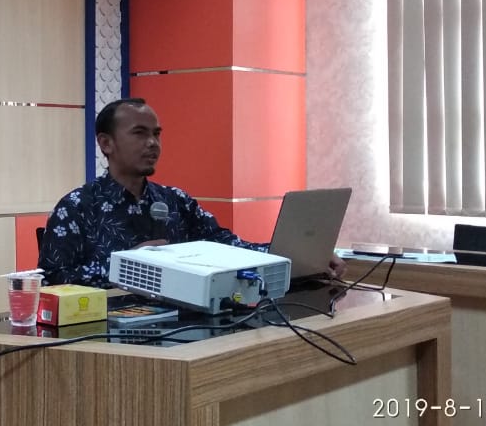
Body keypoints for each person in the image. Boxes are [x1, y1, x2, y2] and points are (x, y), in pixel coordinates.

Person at [38, 98, 346, 287]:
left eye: (156, 134)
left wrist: (294, 256)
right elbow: (52, 279)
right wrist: (126, 265)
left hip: (184, 327)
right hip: (108, 333)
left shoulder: (175, 201)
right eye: (140, 134)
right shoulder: (77, 207)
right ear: (106, 143)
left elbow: (227, 245)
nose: (152, 143)